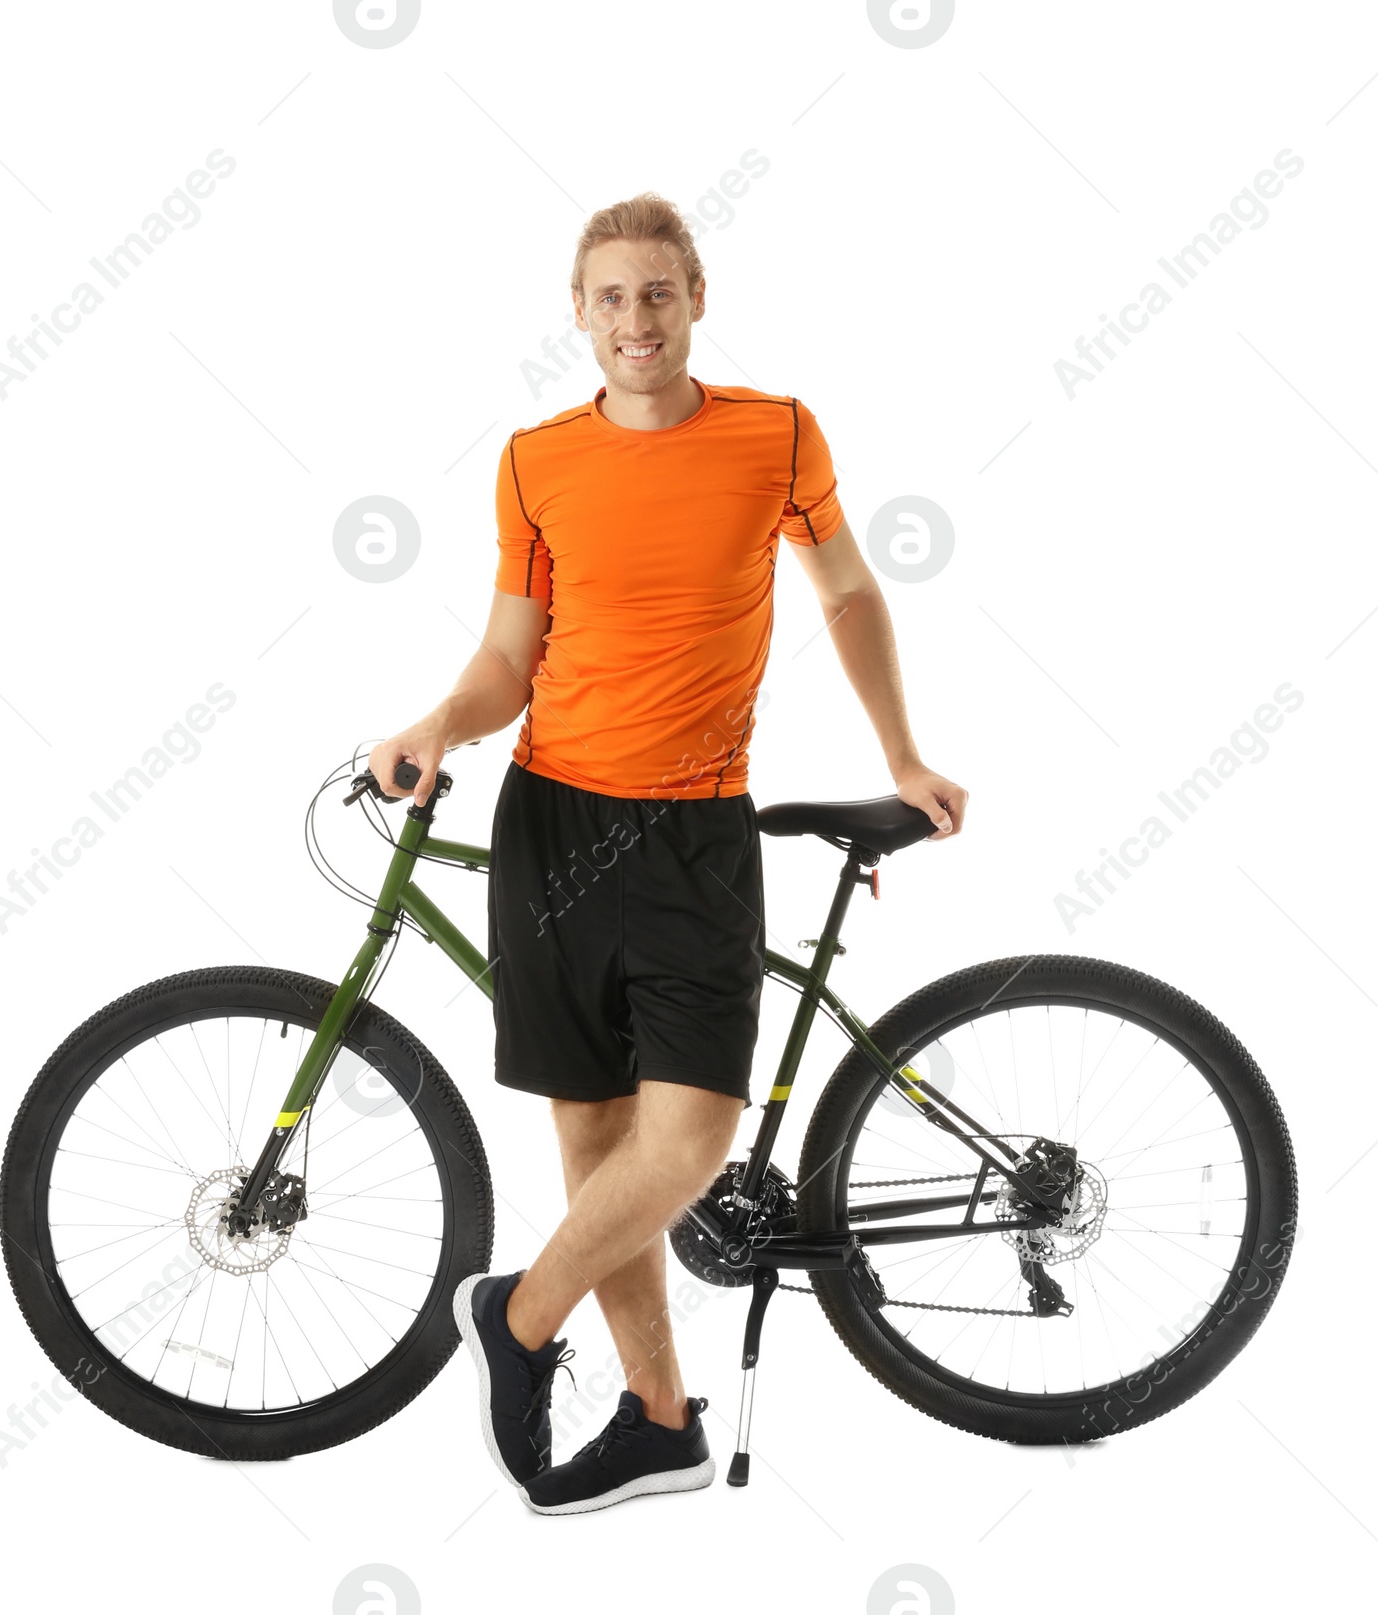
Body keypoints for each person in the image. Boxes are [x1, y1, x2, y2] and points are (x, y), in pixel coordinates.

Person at [368, 192, 966, 1515]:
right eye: (610, 298)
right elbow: (508, 658)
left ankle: (516, 1321)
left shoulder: (778, 433)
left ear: (698, 301)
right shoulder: (533, 459)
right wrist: (437, 721)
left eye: (658, 293)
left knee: (685, 1142)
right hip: (552, 821)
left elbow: (851, 592)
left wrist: (903, 756)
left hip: (697, 828)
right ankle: (657, 1421)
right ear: (576, 314)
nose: (636, 320)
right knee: (595, 1144)